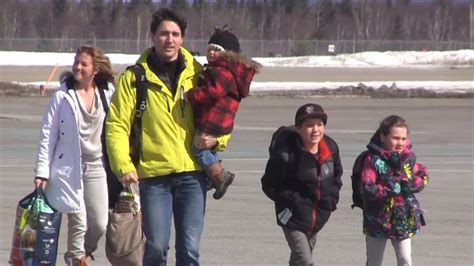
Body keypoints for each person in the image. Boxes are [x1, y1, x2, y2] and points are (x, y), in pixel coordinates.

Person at [105, 8, 229, 265]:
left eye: (175, 34)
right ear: (152, 36)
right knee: (156, 248)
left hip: (192, 175)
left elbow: (224, 113)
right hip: (153, 177)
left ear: (182, 39)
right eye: (163, 34)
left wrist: (218, 141)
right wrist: (123, 166)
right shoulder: (134, 78)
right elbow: (116, 125)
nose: (169, 39)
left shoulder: (200, 75)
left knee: (190, 250)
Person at [34, 45, 115, 266]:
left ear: (95, 69)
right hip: (69, 166)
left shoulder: (107, 93)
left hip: (97, 165)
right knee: (77, 220)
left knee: (100, 222)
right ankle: (76, 259)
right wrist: (42, 171)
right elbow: (48, 135)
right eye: (76, 62)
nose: (78, 67)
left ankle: (82, 253)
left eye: (84, 64)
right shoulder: (62, 95)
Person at [261, 103, 343, 266]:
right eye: (309, 126)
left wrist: (330, 202)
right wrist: (291, 200)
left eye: (319, 125)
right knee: (305, 261)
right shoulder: (285, 154)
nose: (315, 130)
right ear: (298, 128)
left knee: (298, 261)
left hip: (317, 217)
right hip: (292, 217)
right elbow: (269, 184)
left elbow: (337, 178)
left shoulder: (331, 148)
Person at [186, 25, 261, 199]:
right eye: (210, 49)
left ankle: (219, 176)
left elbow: (213, 92)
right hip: (222, 121)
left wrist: (192, 94)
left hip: (213, 120)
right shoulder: (231, 72)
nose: (212, 53)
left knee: (197, 149)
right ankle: (213, 176)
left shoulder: (222, 72)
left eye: (216, 50)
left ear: (227, 54)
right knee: (209, 151)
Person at [357, 115, 429, 266]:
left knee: (405, 260)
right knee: (375, 261)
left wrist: (412, 183)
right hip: (377, 218)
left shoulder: (408, 158)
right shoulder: (373, 160)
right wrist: (389, 189)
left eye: (403, 138)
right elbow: (366, 188)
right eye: (395, 138)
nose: (400, 143)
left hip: (403, 218)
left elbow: (422, 175)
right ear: (383, 137)